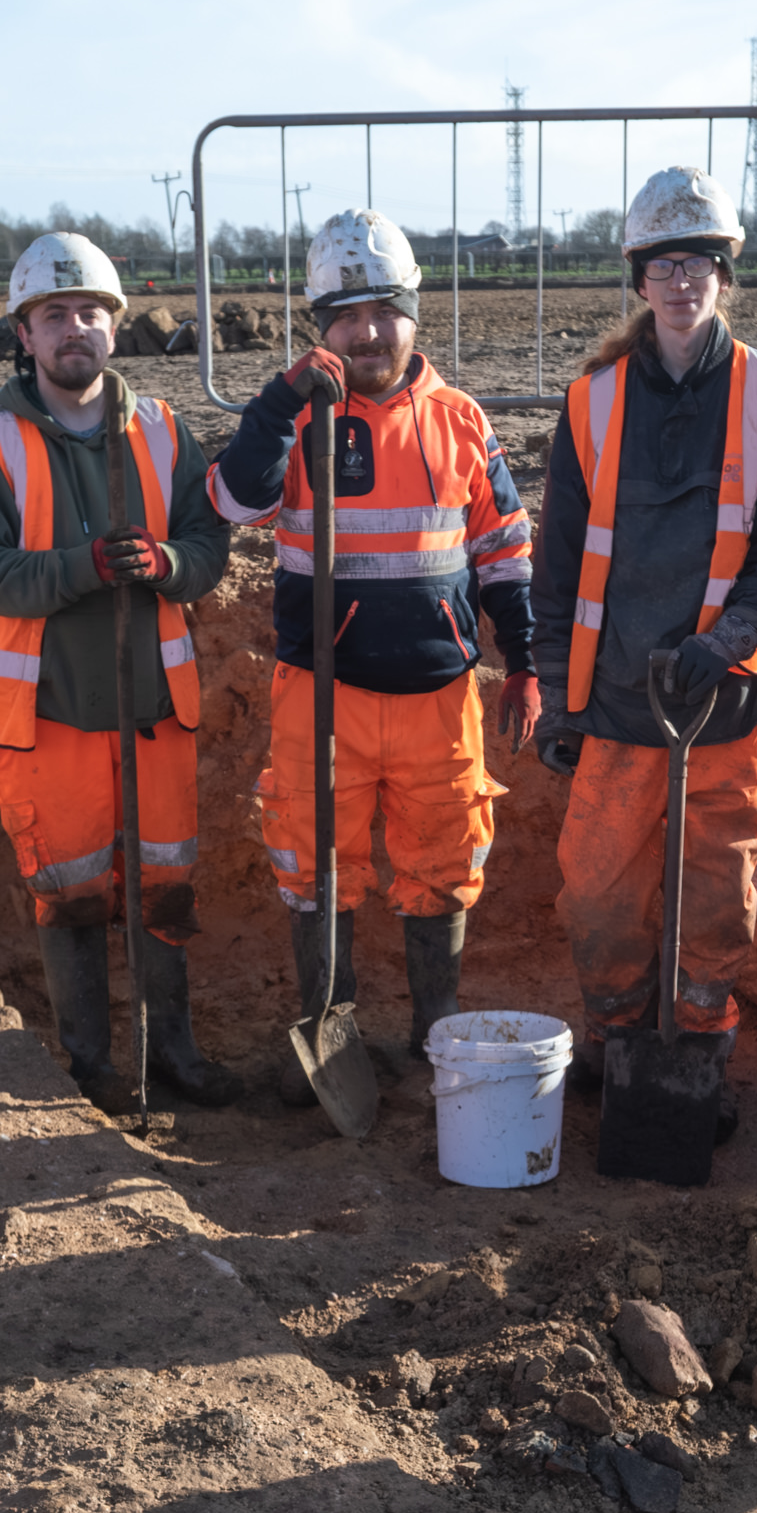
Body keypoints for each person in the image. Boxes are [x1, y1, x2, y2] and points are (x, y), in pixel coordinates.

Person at [523, 166, 757, 1150]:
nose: (681, 280)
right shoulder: (593, 401)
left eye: (698, 261)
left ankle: (697, 1049)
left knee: (715, 896)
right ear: (639, 279)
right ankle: (618, 1041)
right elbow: (558, 564)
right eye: (663, 264)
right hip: (617, 696)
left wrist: (725, 644)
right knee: (600, 891)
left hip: (722, 698)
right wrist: (558, 699)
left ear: (724, 274)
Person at [209, 209, 535, 1095]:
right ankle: (331, 1031)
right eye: (345, 316)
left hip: (440, 696)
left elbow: (504, 551)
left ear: (413, 313)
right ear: (321, 327)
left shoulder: (460, 421)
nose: (368, 333)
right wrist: (279, 404)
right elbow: (234, 503)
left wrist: (525, 662)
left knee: (445, 862)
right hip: (322, 695)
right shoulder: (297, 419)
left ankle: (436, 1034)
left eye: (384, 310)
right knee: (316, 865)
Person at [0, 230, 244, 1112]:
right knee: (70, 893)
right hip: (49, 716)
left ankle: (173, 1051)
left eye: (90, 313)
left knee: (163, 886)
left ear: (115, 327)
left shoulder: (163, 432)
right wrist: (82, 568)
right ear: (24, 334)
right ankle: (90, 1067)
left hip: (153, 711)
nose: (75, 328)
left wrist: (167, 564)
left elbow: (207, 544)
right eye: (54, 315)